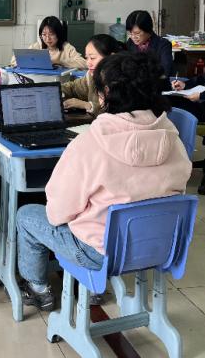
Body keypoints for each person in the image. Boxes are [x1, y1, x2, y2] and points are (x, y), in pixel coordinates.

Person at [16, 52, 192, 311]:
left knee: (27, 215)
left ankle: (38, 288)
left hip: (100, 253)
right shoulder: (174, 140)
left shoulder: (90, 143)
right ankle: (91, 287)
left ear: (106, 93)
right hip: (158, 246)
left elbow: (57, 213)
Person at [61, 34, 123, 121]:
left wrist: (87, 105)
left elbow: (115, 116)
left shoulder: (123, 81)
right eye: (87, 58)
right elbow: (73, 88)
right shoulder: (91, 76)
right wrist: (56, 91)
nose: (88, 63)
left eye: (92, 58)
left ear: (111, 57)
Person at [11, 16, 87, 70]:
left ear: (59, 34)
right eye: (44, 35)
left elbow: (84, 63)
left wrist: (59, 62)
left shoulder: (66, 47)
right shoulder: (37, 46)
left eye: (51, 34)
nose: (47, 39)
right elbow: (13, 61)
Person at [125, 10, 174, 77]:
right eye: (130, 33)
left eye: (137, 33)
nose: (133, 37)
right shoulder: (130, 43)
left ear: (148, 29)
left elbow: (165, 71)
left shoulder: (163, 45)